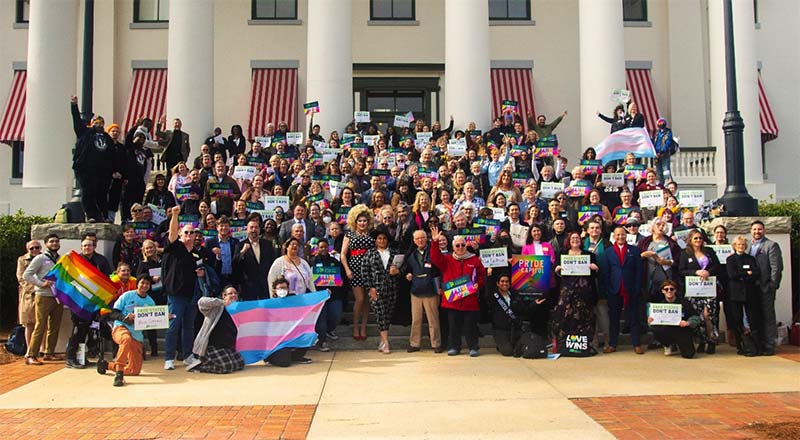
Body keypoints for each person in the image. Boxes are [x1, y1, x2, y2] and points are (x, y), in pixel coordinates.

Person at [429, 225, 486, 357]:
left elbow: (482, 275)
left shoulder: (474, 260)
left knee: (470, 326)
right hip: (452, 301)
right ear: (453, 247)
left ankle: (473, 347)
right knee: (453, 326)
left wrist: (478, 284)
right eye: (457, 246)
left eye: (463, 245)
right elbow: (435, 257)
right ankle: (454, 347)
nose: (460, 248)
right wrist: (435, 242)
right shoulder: (447, 260)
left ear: (466, 246)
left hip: (470, 300)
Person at [161, 206, 202, 370]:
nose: (189, 235)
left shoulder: (197, 253)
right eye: (186, 232)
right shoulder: (175, 247)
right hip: (176, 295)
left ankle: (188, 356)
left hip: (192, 295)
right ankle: (169, 358)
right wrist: (175, 215)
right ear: (180, 234)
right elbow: (171, 233)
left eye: (192, 233)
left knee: (188, 327)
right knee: (173, 327)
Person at [96, 276, 155, 386]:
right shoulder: (127, 296)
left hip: (137, 335)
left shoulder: (150, 302)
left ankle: (106, 365)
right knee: (126, 338)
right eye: (142, 283)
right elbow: (113, 313)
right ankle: (119, 373)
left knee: (134, 371)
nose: (144, 285)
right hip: (121, 328)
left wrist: (166, 317)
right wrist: (124, 318)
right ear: (137, 283)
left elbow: (152, 321)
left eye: (147, 283)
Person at [65, 237, 113, 369]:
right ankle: (70, 357)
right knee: (78, 331)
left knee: (89, 330)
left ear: (94, 247)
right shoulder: (75, 261)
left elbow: (106, 279)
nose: (87, 248)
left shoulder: (101, 260)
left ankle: (82, 358)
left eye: (90, 246)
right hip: (78, 302)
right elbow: (68, 277)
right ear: (81, 247)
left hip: (94, 302)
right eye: (85, 246)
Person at [553, 232, 599, 354]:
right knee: (565, 316)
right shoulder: (562, 254)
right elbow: (557, 274)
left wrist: (595, 268)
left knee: (584, 317)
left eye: (577, 238)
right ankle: (564, 345)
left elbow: (595, 274)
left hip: (583, 292)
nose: (575, 240)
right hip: (567, 292)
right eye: (572, 238)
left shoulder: (589, 255)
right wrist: (557, 269)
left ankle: (583, 345)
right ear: (568, 240)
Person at [70, 95, 114, 223]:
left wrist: (114, 169)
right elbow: (77, 121)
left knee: (101, 194)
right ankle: (91, 215)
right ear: (91, 123)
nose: (98, 124)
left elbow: (112, 155)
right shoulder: (85, 133)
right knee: (88, 192)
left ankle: (103, 215)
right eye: (95, 122)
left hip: (102, 171)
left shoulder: (107, 138)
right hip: (86, 169)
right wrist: (74, 105)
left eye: (100, 123)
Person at [22, 234, 64, 365]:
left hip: (58, 296)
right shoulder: (40, 258)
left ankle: (49, 353)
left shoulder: (61, 259)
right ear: (46, 244)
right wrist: (41, 284)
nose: (55, 243)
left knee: (55, 326)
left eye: (57, 241)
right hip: (44, 296)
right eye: (51, 241)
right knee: (40, 326)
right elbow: (26, 274)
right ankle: (31, 355)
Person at [678, 229, 721, 354]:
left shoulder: (709, 251)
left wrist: (709, 272)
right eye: (695, 238)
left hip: (709, 288)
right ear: (690, 240)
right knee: (699, 316)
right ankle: (702, 341)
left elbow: (717, 266)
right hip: (694, 289)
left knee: (709, 315)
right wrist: (695, 272)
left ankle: (712, 340)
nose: (698, 240)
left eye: (700, 238)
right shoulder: (685, 253)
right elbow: (681, 270)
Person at [185, 286, 245, 374]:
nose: (233, 295)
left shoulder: (237, 310)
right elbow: (201, 302)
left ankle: (208, 362)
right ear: (224, 296)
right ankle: (199, 366)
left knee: (240, 364)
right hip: (211, 346)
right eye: (230, 293)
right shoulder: (216, 308)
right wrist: (223, 302)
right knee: (226, 367)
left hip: (226, 346)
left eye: (235, 293)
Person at [360, 227, 401, 353]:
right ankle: (386, 343)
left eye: (384, 238)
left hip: (391, 288)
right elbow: (364, 272)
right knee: (380, 314)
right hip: (376, 289)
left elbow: (401, 269)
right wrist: (370, 288)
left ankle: (382, 341)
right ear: (376, 240)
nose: (382, 241)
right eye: (379, 239)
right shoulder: (370, 254)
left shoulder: (394, 253)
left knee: (387, 316)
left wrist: (397, 272)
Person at [604, 226, 644, 354]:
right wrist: (608, 288)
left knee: (633, 318)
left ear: (626, 236)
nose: (620, 237)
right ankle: (612, 344)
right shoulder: (608, 252)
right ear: (614, 236)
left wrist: (637, 287)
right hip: (614, 289)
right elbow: (606, 272)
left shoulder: (634, 250)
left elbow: (639, 271)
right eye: (618, 235)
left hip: (631, 288)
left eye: (622, 235)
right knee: (614, 318)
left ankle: (637, 344)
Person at [401, 230, 443, 353]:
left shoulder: (433, 252)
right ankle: (414, 344)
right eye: (417, 238)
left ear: (427, 238)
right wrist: (407, 274)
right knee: (416, 320)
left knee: (433, 319)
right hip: (416, 291)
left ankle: (436, 344)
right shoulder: (411, 255)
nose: (420, 240)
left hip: (431, 290)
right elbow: (407, 269)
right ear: (414, 241)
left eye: (422, 238)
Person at [748, 220, 784, 356]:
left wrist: (772, 285)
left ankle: (769, 344)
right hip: (752, 288)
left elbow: (777, 267)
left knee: (768, 316)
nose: (757, 232)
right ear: (751, 231)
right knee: (756, 316)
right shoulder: (748, 246)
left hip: (765, 287)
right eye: (754, 229)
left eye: (759, 229)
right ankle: (759, 343)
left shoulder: (771, 245)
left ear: (764, 230)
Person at [341, 205, 375, 341]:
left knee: (367, 301)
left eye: (364, 221)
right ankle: (355, 326)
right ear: (355, 221)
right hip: (354, 268)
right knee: (359, 299)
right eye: (360, 221)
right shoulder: (349, 234)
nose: (362, 223)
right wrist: (347, 269)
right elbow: (343, 254)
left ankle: (363, 327)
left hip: (369, 269)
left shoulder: (372, 234)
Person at [263, 278, 314, 367]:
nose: (282, 290)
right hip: (276, 340)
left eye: (284, 288)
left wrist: (324, 295)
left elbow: (310, 303)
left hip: (291, 336)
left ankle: (295, 357)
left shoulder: (294, 302)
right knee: (284, 363)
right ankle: (269, 356)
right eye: (279, 288)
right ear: (274, 290)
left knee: (310, 336)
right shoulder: (269, 305)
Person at [726, 236, 762, 356]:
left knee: (753, 319)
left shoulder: (750, 258)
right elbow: (732, 275)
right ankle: (740, 345)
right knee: (737, 319)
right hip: (735, 294)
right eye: (738, 245)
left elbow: (756, 273)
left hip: (749, 293)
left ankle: (756, 346)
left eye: (743, 245)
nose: (741, 247)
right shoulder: (730, 259)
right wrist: (747, 273)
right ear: (734, 246)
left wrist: (742, 274)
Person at [309, 238, 346, 351]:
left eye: (325, 247)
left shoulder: (335, 262)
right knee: (321, 319)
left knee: (336, 315)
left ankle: (330, 329)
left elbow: (341, 277)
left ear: (328, 248)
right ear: (317, 248)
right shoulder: (312, 261)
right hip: (319, 295)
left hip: (334, 295)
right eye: (321, 247)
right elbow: (310, 279)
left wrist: (340, 282)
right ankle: (322, 341)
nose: (323, 249)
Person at [647, 280, 700, 359]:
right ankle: (667, 344)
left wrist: (688, 323)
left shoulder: (685, 303)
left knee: (689, 355)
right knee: (656, 330)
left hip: (682, 330)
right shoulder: (660, 307)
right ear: (662, 291)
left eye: (671, 289)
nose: (669, 291)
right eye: (666, 289)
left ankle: (680, 344)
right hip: (667, 330)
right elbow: (654, 325)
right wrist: (651, 322)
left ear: (675, 290)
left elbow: (696, 317)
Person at [234, 217, 276, 300]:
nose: (254, 230)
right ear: (247, 230)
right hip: (248, 287)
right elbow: (235, 264)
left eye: (256, 227)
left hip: (265, 285)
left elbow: (272, 263)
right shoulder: (240, 245)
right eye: (251, 227)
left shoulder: (267, 244)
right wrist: (242, 251)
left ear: (260, 230)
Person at [490, 274, 524, 357]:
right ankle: (501, 344)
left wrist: (534, 304)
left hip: (514, 328)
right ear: (498, 283)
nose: (504, 283)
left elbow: (523, 309)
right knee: (508, 352)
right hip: (500, 329)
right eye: (502, 281)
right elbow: (488, 289)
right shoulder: (493, 296)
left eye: (507, 281)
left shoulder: (514, 294)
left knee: (520, 349)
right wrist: (489, 276)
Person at [17, 240, 41, 350]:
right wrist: (34, 288)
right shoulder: (22, 260)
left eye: (37, 247)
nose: (35, 250)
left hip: (43, 293)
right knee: (29, 323)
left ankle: (42, 349)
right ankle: (29, 349)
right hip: (28, 296)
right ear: (28, 249)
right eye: (32, 248)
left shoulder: (45, 258)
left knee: (42, 323)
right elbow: (21, 277)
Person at [205, 215, 239, 288]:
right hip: (216, 278)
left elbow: (237, 261)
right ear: (217, 227)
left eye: (226, 226)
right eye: (221, 226)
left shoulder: (235, 242)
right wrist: (218, 256)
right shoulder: (210, 242)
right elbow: (208, 263)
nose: (224, 228)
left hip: (232, 279)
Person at [652, 118, 674, 183]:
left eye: (662, 122)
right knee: (658, 171)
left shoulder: (668, 132)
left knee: (666, 170)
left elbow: (668, 142)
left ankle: (668, 184)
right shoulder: (657, 133)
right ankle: (660, 185)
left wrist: (662, 151)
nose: (661, 124)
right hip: (657, 155)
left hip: (664, 154)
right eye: (659, 123)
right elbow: (654, 141)